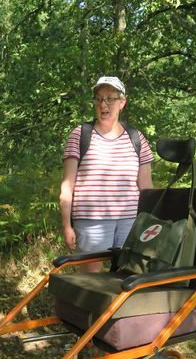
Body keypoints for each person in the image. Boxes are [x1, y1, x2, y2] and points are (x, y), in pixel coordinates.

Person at [60, 76, 154, 272]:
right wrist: (67, 226)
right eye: (99, 98)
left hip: (130, 222)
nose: (104, 104)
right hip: (91, 223)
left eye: (111, 98)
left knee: (126, 280)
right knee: (91, 284)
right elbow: (67, 186)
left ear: (122, 102)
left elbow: (146, 188)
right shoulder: (80, 135)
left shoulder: (137, 138)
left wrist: (150, 225)